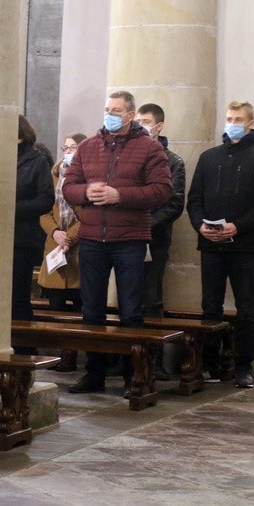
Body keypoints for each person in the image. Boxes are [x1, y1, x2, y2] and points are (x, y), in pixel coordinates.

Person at [62, 90, 172, 397]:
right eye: (107, 109)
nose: (109, 114)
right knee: (91, 309)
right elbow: (69, 185)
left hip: (130, 239)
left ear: (130, 115)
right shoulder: (88, 146)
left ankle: (132, 375)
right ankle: (94, 373)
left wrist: (119, 196)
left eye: (116, 110)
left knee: (131, 311)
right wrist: (86, 192)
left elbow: (163, 191)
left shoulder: (149, 148)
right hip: (92, 237)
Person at [186, 100, 254, 388]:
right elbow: (194, 199)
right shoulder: (209, 157)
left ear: (251, 123)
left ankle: (243, 366)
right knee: (210, 307)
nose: (233, 123)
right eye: (229, 118)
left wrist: (237, 226)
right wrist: (201, 225)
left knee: (245, 308)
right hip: (211, 244)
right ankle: (210, 364)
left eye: (238, 119)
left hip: (244, 245)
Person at [135, 103, 186, 380]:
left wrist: (145, 223)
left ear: (159, 125)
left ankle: (153, 361)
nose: (142, 124)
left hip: (155, 239)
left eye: (146, 120)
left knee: (152, 298)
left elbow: (174, 204)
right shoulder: (131, 155)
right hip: (128, 238)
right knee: (128, 297)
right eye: (139, 120)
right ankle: (126, 357)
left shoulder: (173, 161)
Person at [37, 133, 86, 372]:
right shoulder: (54, 174)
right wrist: (55, 232)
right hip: (55, 246)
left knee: (78, 307)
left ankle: (72, 355)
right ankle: (58, 355)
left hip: (78, 248)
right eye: (65, 147)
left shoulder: (86, 177)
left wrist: (70, 237)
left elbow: (88, 213)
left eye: (73, 147)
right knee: (55, 306)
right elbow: (43, 210)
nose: (67, 151)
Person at [12, 115, 54, 325]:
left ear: (19, 136)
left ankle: (25, 351)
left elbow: (46, 200)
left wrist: (13, 210)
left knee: (18, 298)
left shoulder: (37, 161)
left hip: (23, 239)